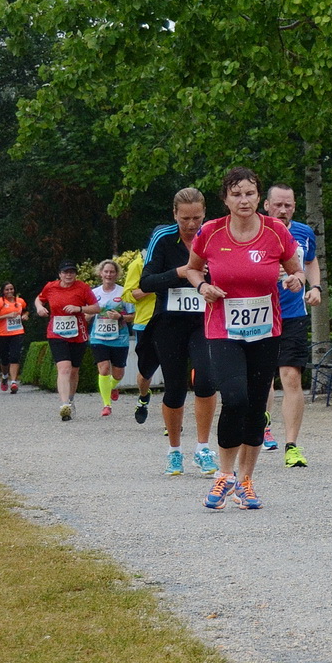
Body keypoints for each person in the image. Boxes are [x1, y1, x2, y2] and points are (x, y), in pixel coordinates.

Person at [182, 167, 303, 510]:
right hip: (223, 328)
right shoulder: (210, 232)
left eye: (249, 193)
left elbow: (295, 270)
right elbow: (193, 268)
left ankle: (246, 481)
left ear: (259, 197)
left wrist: (295, 280)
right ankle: (224, 475)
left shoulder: (276, 231)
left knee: (254, 406)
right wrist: (202, 286)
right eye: (236, 194)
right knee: (234, 399)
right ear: (226, 199)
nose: (244, 200)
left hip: (266, 330)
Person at [140, 188, 221, 476]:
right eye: (185, 218)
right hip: (169, 323)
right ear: (174, 214)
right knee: (174, 387)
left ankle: (203, 448)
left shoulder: (214, 235)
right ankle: (174, 451)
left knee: (206, 379)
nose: (191, 224)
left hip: (204, 320)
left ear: (204, 213)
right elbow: (146, 282)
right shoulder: (163, 238)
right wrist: (181, 272)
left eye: (197, 217)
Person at [265, 183, 323, 467]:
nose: (283, 210)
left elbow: (311, 262)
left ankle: (291, 445)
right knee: (261, 379)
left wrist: (315, 286)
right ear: (266, 205)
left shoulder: (303, 232)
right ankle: (262, 424)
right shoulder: (254, 230)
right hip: (258, 315)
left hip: (292, 314)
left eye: (288, 205)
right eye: (278, 204)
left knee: (291, 377)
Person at [35, 261, 101, 420]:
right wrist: (39, 307)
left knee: (74, 370)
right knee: (64, 368)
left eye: (72, 272)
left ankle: (70, 400)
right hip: (56, 333)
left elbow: (96, 308)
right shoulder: (50, 287)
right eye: (65, 272)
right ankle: (64, 405)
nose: (69, 275)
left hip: (78, 333)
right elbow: (39, 298)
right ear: (60, 274)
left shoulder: (83, 288)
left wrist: (79, 308)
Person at [90, 259, 135, 417]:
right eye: (106, 271)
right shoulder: (94, 293)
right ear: (100, 273)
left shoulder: (123, 292)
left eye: (112, 272)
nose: (108, 274)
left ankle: (113, 386)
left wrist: (120, 316)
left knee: (118, 374)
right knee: (103, 369)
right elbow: (87, 314)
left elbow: (133, 316)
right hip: (98, 337)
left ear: (116, 274)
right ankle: (106, 404)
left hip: (119, 338)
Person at [120, 249, 160, 423]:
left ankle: (173, 422)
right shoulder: (139, 264)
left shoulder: (179, 261)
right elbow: (128, 295)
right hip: (145, 322)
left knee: (174, 372)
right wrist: (155, 285)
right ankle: (143, 397)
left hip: (172, 322)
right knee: (145, 373)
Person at [0, 283, 28, 392]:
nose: (9, 291)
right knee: (4, 359)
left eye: (11, 289)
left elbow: (26, 310)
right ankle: (4, 376)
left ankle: (13, 382)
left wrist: (25, 315)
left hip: (17, 332)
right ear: (3, 291)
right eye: (7, 289)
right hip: (2, 334)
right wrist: (6, 316)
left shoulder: (20, 301)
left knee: (15, 357)